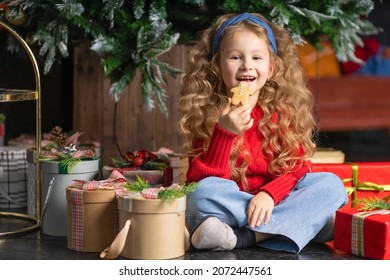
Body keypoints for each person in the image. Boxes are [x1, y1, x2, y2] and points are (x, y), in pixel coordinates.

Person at [177, 12, 348, 253]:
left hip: (274, 200)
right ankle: (301, 225)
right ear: (217, 66)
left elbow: (297, 169)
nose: (247, 65)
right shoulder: (206, 115)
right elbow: (200, 181)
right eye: (235, 57)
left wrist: (269, 194)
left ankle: (247, 237)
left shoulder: (282, 113)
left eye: (257, 57)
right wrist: (224, 133)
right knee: (200, 194)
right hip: (233, 203)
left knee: (331, 185)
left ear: (271, 68)